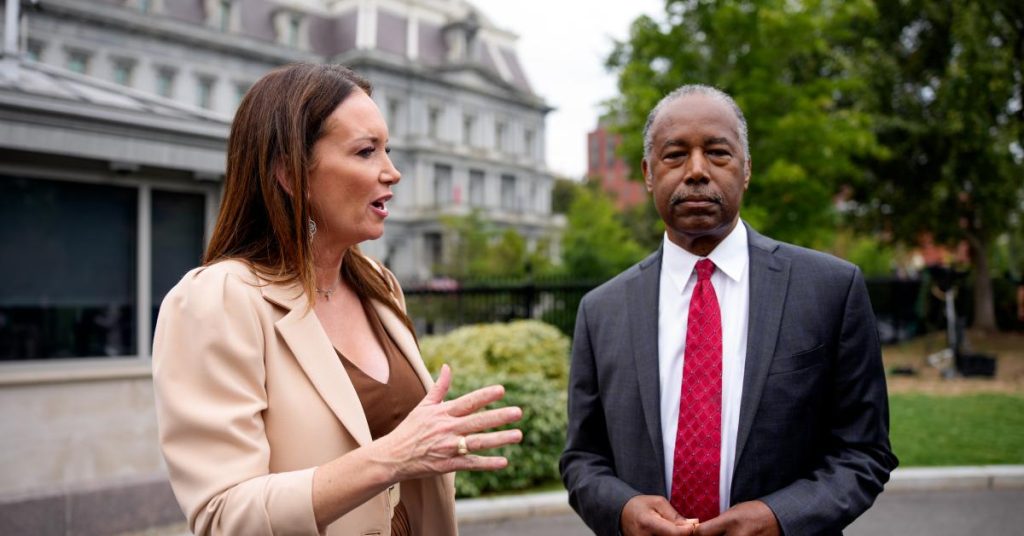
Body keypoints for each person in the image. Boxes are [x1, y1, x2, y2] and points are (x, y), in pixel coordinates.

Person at [152, 63, 523, 536]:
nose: (392, 172)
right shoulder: (217, 300)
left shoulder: (378, 284)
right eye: (366, 151)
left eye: (387, 150)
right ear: (291, 175)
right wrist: (391, 458)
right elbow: (224, 516)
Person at [560, 85, 897, 536]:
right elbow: (582, 459)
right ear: (647, 173)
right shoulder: (601, 311)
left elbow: (864, 452)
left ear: (747, 169)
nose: (697, 171)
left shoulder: (830, 290)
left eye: (718, 153)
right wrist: (622, 510)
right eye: (675, 155)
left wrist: (781, 518)